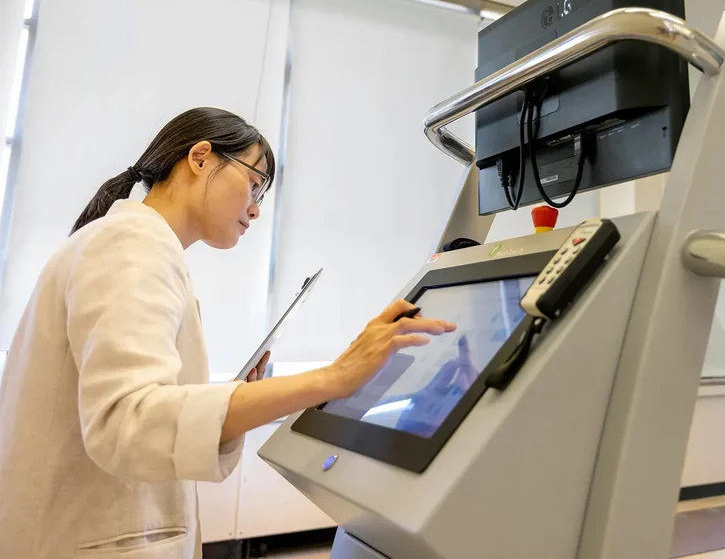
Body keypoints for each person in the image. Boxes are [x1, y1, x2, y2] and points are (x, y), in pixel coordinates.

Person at [0, 107, 455, 559]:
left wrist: (237, 397)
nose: (256, 209)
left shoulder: (130, 242)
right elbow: (129, 420)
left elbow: (139, 407)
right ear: (200, 158)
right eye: (254, 184)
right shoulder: (132, 244)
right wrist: (336, 377)